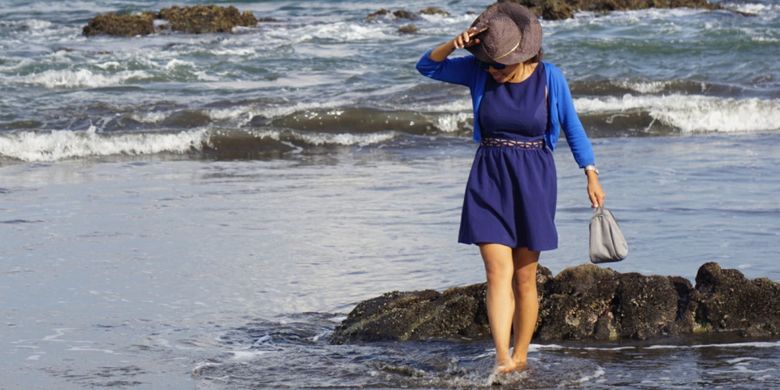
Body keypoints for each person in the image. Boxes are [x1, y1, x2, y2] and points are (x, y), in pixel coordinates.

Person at [415, 3, 606, 374]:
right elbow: (427, 66)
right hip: (488, 176)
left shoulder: (551, 78)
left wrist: (591, 172)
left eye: (498, 65)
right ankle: (502, 357)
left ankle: (521, 356)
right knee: (495, 271)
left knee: (524, 275)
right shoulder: (477, 71)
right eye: (486, 63)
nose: (492, 71)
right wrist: (453, 44)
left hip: (534, 178)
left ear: (523, 55)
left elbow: (573, 128)